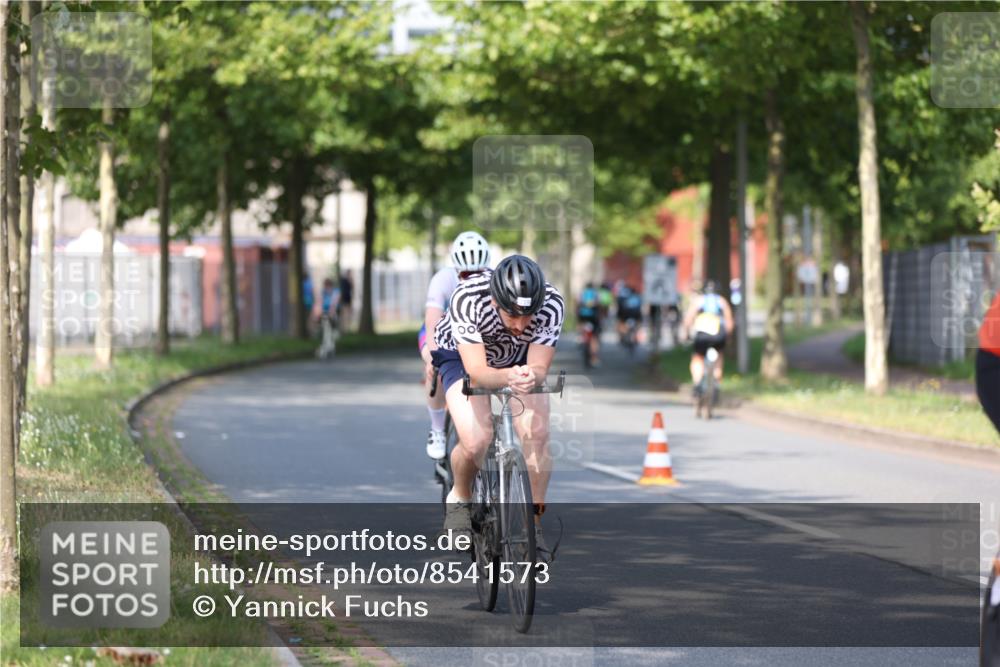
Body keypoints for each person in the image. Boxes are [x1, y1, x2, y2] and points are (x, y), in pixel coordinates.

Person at [431, 255, 564, 561]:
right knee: (476, 439)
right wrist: (507, 377)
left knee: (538, 435)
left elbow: (539, 367)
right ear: (494, 301)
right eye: (512, 315)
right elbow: (477, 372)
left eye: (529, 316)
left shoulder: (552, 303)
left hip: (517, 356)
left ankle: (533, 527)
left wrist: (530, 376)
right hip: (462, 355)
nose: (521, 325)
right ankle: (460, 497)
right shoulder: (468, 298)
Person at [419, 231, 492, 459]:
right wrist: (434, 357)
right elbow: (432, 322)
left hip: (474, 331)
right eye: (467, 274)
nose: (473, 278)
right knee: (434, 366)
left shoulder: (494, 279)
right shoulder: (443, 279)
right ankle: (437, 429)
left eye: (479, 273)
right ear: (457, 269)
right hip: (441, 329)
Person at [683, 280, 734, 397]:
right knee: (719, 357)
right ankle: (716, 384)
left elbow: (688, 319)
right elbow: (729, 322)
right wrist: (728, 337)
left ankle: (697, 383)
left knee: (697, 358)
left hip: (702, 335)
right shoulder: (722, 301)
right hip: (719, 335)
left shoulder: (699, 300)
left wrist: (686, 334)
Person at [576, 282, 602, 366]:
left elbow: (577, 303)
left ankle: (580, 338)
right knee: (594, 337)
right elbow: (599, 304)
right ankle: (594, 358)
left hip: (583, 316)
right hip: (593, 317)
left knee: (582, 327)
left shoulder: (582, 293)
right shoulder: (596, 293)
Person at [316, 278, 340, 359]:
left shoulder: (335, 292)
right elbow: (319, 303)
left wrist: (331, 312)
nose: (326, 288)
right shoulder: (323, 292)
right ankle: (327, 348)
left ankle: (330, 348)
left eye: (327, 286)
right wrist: (318, 313)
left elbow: (334, 304)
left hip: (332, 315)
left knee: (331, 332)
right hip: (324, 315)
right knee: (325, 332)